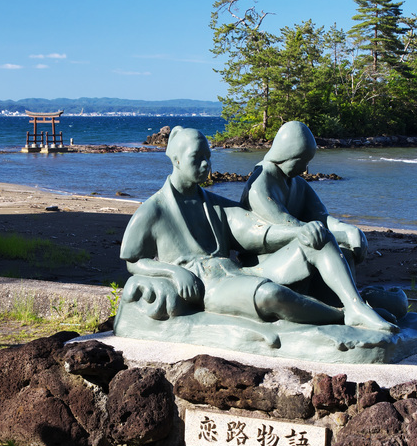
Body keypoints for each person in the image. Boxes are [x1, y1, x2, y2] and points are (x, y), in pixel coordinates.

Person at [119, 127, 396, 333]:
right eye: (197, 158)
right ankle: (342, 316)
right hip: (209, 286)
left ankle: (356, 307)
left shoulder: (214, 204)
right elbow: (133, 261)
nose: (206, 165)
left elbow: (254, 231)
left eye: (208, 157)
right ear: (177, 160)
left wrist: (298, 232)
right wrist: (173, 272)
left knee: (318, 239)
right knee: (269, 295)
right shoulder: (153, 210)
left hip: (235, 273)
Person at [241, 121, 367, 269]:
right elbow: (289, 225)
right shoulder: (258, 186)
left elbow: (321, 216)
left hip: (293, 245)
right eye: (302, 161)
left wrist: (348, 229)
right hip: (264, 256)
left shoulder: (298, 183)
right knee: (326, 247)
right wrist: (343, 236)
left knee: (345, 253)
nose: (305, 168)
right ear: (287, 155)